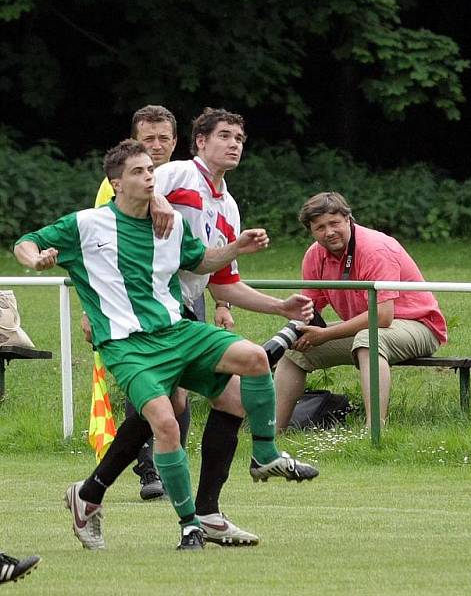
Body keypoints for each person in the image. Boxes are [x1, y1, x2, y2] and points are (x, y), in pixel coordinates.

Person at [13, 139, 296, 550]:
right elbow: (26, 241)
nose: (149, 176)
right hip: (127, 346)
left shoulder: (171, 223)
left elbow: (199, 262)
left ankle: (263, 457)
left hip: (177, 332)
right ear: (116, 183)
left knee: (253, 358)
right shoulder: (87, 224)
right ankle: (190, 525)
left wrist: (236, 248)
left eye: (150, 169)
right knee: (165, 421)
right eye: (139, 172)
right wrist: (34, 259)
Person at [154, 107, 318, 546]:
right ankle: (96, 492)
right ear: (200, 142)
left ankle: (205, 512)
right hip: (149, 313)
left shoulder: (227, 205)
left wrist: (281, 306)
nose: (234, 143)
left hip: (183, 315)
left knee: (228, 402)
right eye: (224, 135)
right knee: (166, 411)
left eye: (240, 138)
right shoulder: (176, 175)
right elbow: (127, 199)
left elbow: (222, 280)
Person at [274, 191, 448, 428]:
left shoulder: (375, 249)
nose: (329, 232)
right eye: (320, 227)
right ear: (311, 231)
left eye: (334, 223)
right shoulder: (314, 255)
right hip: (368, 327)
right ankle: (273, 434)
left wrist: (324, 335)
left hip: (419, 326)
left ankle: (373, 432)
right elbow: (309, 309)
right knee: (292, 352)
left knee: (368, 340)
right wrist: (298, 331)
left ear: (348, 219)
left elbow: (383, 317)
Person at [89, 104, 186, 501]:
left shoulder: (183, 179)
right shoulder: (119, 185)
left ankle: (167, 460)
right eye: (149, 139)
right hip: (129, 305)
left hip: (177, 298)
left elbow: (202, 242)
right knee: (148, 384)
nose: (158, 146)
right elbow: (94, 250)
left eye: (164, 138)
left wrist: (223, 302)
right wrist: (86, 308)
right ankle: (149, 467)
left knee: (179, 389)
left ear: (176, 142)